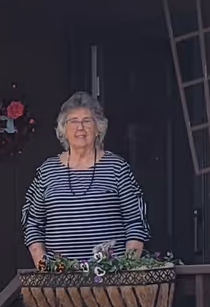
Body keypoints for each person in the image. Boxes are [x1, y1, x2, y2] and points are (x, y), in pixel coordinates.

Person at [23, 92, 150, 266]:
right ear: (63, 130)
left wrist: (124, 270)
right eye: (73, 121)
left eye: (87, 121)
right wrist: (45, 268)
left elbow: (136, 222)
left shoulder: (118, 168)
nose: (80, 127)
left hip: (110, 280)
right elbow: (33, 223)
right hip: (59, 282)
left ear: (98, 128)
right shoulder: (47, 171)